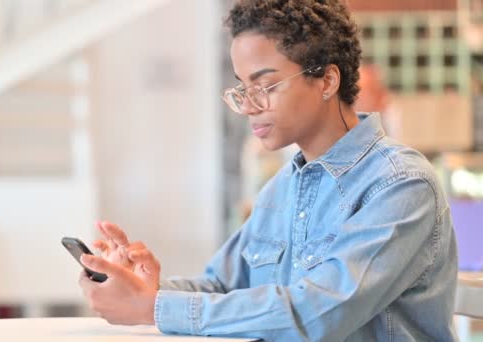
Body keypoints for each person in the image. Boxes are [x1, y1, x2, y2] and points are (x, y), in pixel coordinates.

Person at [78, 1, 458, 340]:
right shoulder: (284, 187)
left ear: (327, 80)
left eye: (267, 85)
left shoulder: (401, 185)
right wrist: (143, 289)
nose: (249, 106)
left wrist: (153, 307)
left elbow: (317, 315)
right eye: (243, 89)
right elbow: (223, 286)